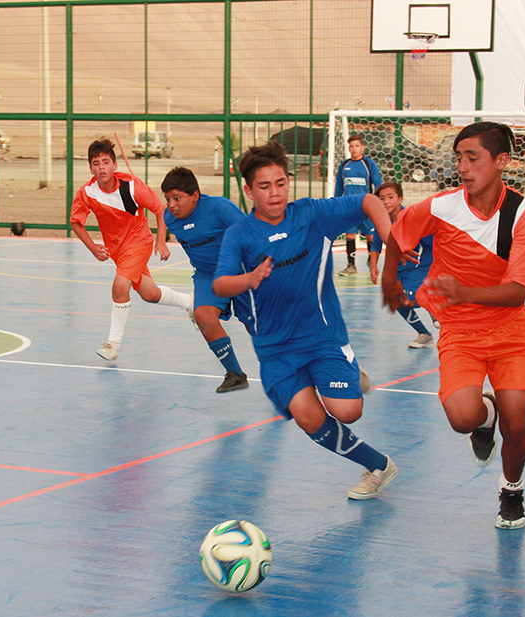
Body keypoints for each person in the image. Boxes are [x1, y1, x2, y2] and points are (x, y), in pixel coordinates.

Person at [381, 122, 525, 529]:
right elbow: (397, 234)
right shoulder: (442, 206)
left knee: (517, 423)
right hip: (460, 330)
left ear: (502, 161)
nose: (462, 166)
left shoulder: (521, 213)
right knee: (462, 418)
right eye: (458, 158)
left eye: (473, 158)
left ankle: (512, 489)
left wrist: (464, 292)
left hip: (511, 331)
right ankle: (484, 416)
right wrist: (389, 279)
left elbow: (518, 292)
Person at [213, 141, 398, 500]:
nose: (275, 193)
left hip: (321, 336)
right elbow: (220, 284)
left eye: (281, 183)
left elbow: (367, 201)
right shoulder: (240, 234)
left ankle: (348, 370)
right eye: (264, 186)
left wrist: (390, 238)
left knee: (348, 411)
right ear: (249, 191)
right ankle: (378, 466)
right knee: (309, 418)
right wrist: (249, 279)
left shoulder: (311, 215)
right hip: (275, 348)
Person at [70, 138, 193, 361]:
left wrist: (161, 240)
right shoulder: (87, 193)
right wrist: (92, 248)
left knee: (119, 286)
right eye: (96, 163)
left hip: (139, 242)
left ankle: (112, 345)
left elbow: (160, 209)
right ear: (91, 169)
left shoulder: (132, 185)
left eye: (106, 162)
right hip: (118, 251)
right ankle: (189, 302)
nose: (101, 167)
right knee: (149, 294)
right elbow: (76, 222)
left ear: (115, 165)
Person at [161, 167, 251, 393]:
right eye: (168, 199)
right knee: (203, 315)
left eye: (177, 198)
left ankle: (294, 369)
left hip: (240, 272)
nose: (171, 205)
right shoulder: (169, 218)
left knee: (258, 328)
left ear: (195, 196)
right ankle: (235, 374)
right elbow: (161, 217)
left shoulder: (220, 207)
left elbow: (250, 232)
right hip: (207, 275)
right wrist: (159, 240)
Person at [369, 182, 437, 348]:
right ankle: (424, 334)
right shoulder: (381, 220)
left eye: (390, 197)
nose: (386, 201)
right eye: (381, 198)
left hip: (418, 264)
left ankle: (433, 304)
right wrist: (374, 267)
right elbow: (376, 244)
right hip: (398, 268)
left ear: (400, 198)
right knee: (395, 300)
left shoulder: (411, 217)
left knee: (409, 300)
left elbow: (433, 241)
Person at [335, 133, 382, 276]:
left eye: (356, 146)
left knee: (370, 236)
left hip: (366, 206)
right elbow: (339, 185)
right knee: (350, 234)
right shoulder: (344, 165)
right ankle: (351, 265)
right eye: (351, 146)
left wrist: (378, 202)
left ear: (362, 148)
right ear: (349, 148)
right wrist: (335, 202)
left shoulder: (369, 164)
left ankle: (372, 261)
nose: (354, 149)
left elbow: (378, 183)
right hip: (349, 207)